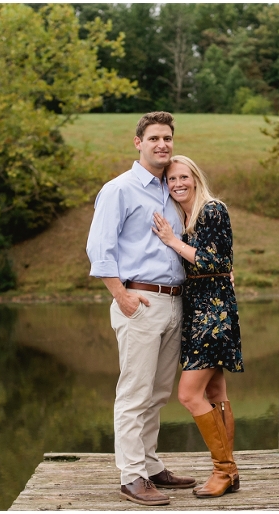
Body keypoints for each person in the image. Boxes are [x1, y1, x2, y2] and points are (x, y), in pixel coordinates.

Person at [86, 112, 196, 507]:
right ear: (138, 143)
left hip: (174, 301)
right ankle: (132, 476)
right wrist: (122, 296)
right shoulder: (119, 189)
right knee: (134, 393)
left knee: (158, 392)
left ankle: (150, 465)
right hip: (140, 301)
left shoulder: (173, 189)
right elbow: (99, 249)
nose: (162, 144)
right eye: (154, 138)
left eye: (167, 138)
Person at [152, 155, 244, 498]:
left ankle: (224, 470)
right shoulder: (184, 216)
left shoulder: (212, 209)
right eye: (171, 179)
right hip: (196, 310)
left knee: (189, 395)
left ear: (195, 178)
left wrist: (172, 241)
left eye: (183, 177)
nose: (178, 183)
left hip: (213, 313)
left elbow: (215, 259)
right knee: (215, 392)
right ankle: (229, 472)